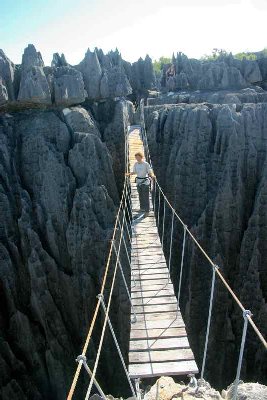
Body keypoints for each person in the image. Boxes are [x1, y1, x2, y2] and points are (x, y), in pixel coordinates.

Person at [126, 152, 155, 217]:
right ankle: (142, 208)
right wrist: (129, 174)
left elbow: (150, 171)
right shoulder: (136, 164)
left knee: (146, 197)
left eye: (138, 157)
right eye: (136, 158)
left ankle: (147, 211)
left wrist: (152, 175)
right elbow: (134, 172)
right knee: (140, 195)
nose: (137, 159)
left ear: (141, 157)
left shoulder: (146, 164)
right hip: (139, 182)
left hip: (145, 182)